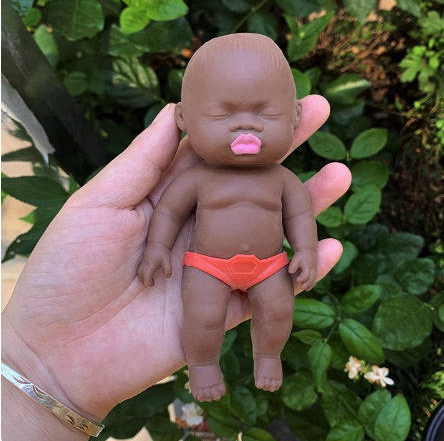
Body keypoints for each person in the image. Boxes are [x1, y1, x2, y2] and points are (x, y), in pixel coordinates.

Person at [1, 97, 351, 440]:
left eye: (265, 112)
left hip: (269, 265)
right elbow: (168, 212)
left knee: (277, 310)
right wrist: (156, 248)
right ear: (184, 119)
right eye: (222, 113)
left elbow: (299, 216)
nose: (246, 125)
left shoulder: (282, 180)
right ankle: (202, 364)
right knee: (202, 317)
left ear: (293, 117)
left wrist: (305, 251)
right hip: (208, 266)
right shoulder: (199, 177)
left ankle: (269, 354)